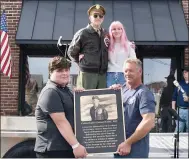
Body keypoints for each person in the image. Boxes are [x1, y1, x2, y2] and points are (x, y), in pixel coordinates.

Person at [34, 56, 87, 158]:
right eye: (59, 70)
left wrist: (82, 96)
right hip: (53, 151)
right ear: (51, 72)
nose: (64, 73)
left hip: (65, 148)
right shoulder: (50, 91)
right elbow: (61, 122)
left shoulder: (66, 90)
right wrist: (76, 145)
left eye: (66, 70)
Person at [110, 58, 156, 158]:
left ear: (140, 72)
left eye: (131, 70)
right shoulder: (121, 90)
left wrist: (128, 143)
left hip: (135, 151)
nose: (127, 74)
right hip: (119, 149)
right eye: (125, 71)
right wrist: (110, 94)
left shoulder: (144, 93)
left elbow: (149, 122)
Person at [68, 4, 109, 89]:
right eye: (95, 15)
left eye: (101, 16)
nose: (98, 17)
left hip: (102, 75)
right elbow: (71, 52)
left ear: (103, 18)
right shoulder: (83, 33)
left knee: (101, 100)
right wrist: (81, 62)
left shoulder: (105, 34)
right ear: (90, 18)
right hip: (87, 74)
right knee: (86, 100)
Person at [107, 21, 136, 87]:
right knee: (111, 96)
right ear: (110, 31)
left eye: (119, 29)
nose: (116, 31)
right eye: (114, 29)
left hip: (124, 74)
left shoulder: (129, 45)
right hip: (110, 74)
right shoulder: (107, 45)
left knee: (124, 96)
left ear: (122, 30)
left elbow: (134, 61)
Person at [172, 67, 189, 132]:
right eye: (183, 72)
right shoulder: (179, 84)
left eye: (186, 72)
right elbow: (174, 97)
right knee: (178, 130)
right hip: (180, 111)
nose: (184, 74)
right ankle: (175, 142)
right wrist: (173, 109)